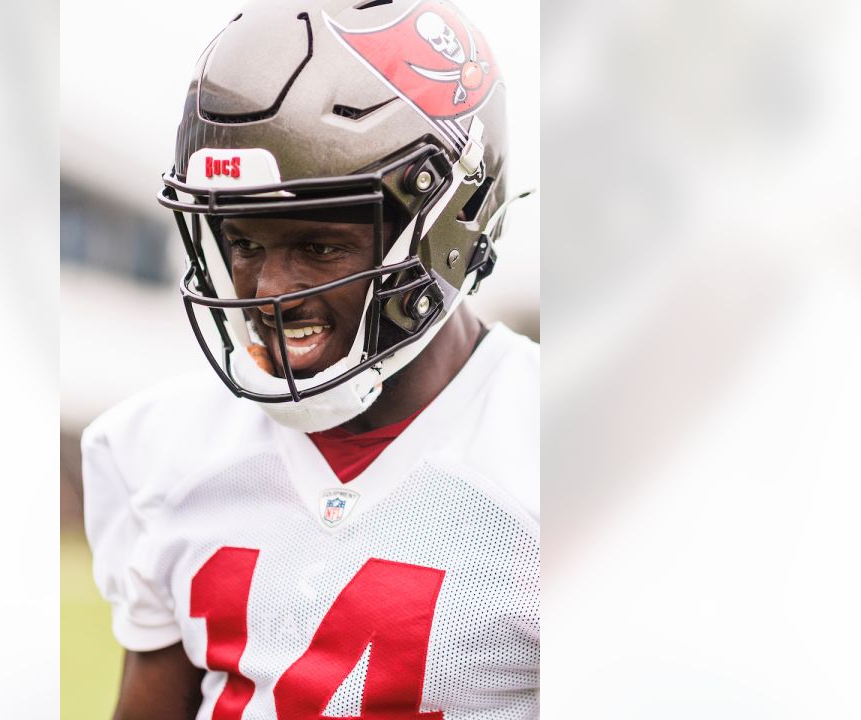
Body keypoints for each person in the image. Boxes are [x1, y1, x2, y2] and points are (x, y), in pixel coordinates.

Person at [82, 0, 538, 716]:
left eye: (319, 247)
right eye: (244, 245)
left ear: (449, 225)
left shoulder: (552, 461)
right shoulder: (159, 450)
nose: (268, 293)